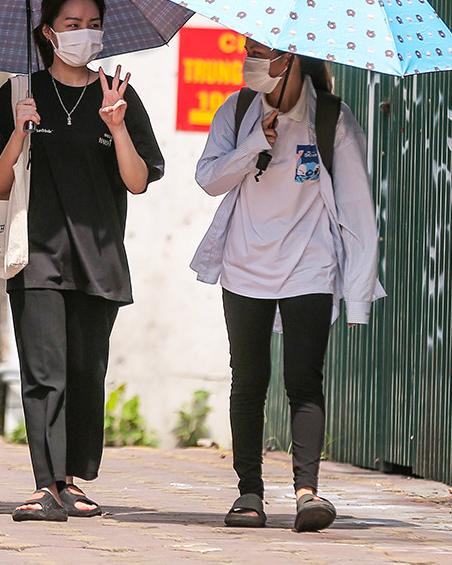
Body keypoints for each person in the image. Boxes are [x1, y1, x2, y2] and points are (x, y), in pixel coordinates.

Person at [0, 0, 164, 522]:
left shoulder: (119, 95)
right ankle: (44, 483)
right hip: (36, 253)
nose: (83, 33)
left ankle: (74, 480)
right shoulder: (19, 93)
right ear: (48, 31)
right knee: (43, 372)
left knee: (86, 372)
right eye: (72, 23)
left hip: (98, 254)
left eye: (91, 24)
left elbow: (137, 180)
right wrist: (19, 130)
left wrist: (116, 124)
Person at [192, 38, 384, 532]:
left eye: (262, 53)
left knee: (304, 379)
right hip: (244, 265)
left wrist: (359, 295)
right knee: (249, 380)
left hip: (309, 266)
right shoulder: (236, 111)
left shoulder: (331, 121)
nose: (250, 62)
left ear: (292, 59)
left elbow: (360, 211)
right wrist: (258, 141)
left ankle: (307, 492)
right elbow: (209, 178)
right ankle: (249, 494)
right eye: (248, 50)